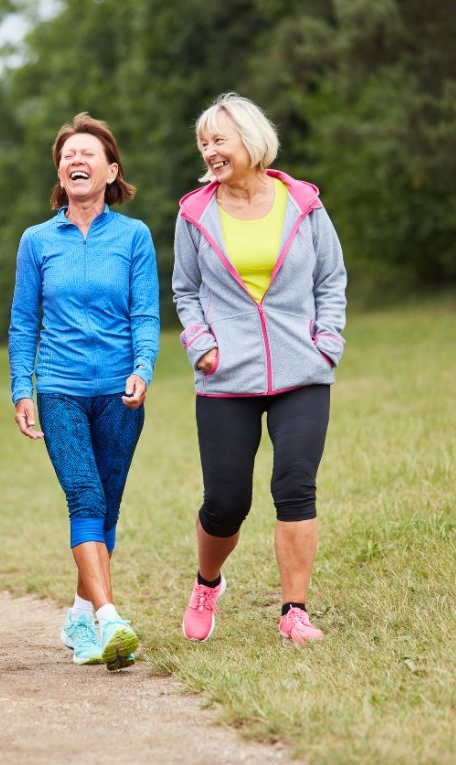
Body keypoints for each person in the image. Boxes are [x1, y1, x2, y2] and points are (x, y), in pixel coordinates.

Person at [172, 92, 347, 644]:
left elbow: (331, 278)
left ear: (250, 140)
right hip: (226, 374)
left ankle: (294, 611)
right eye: (203, 143)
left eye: (218, 140)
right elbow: (185, 290)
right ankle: (207, 582)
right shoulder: (194, 213)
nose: (209, 151)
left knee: (295, 486)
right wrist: (201, 343)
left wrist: (327, 342)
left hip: (302, 369)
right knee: (226, 503)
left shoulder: (303, 203)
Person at [8, 113, 160, 670]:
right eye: (67, 155)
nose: (76, 160)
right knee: (85, 497)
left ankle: (78, 615)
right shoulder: (37, 241)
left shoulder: (134, 237)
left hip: (121, 392)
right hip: (60, 389)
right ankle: (110, 618)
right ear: (59, 173)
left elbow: (145, 314)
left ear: (111, 171)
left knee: (107, 507)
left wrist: (143, 368)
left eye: (87, 153)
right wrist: (21, 388)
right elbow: (23, 323)